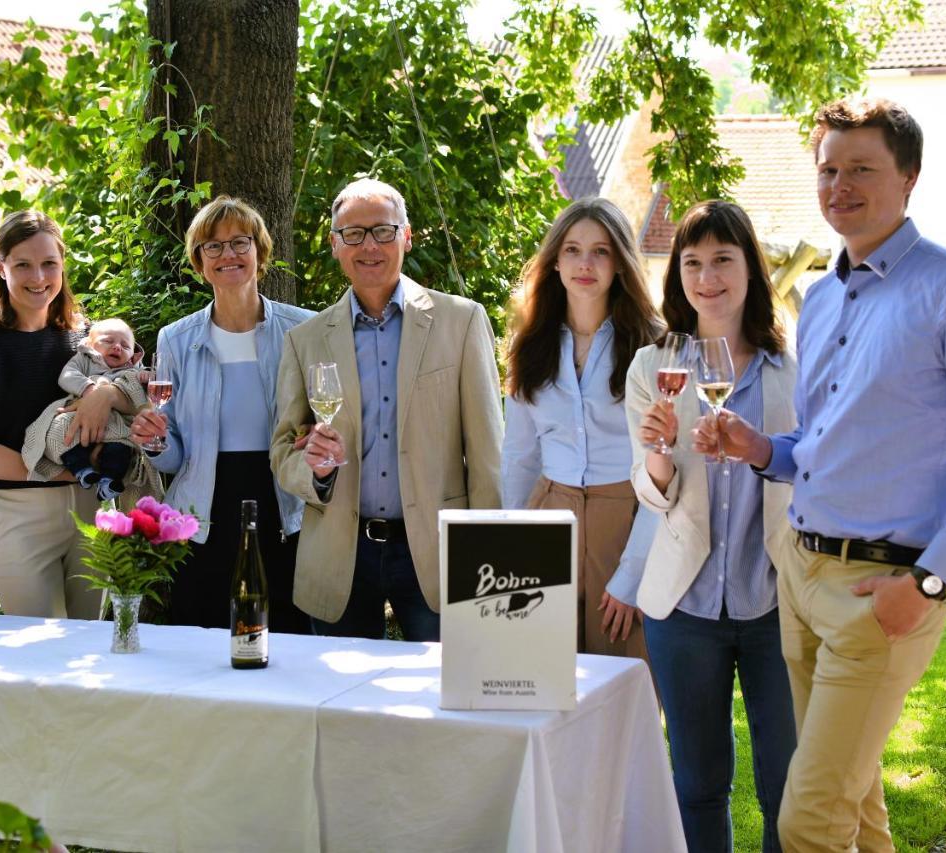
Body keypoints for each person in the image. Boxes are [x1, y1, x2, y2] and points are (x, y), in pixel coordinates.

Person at [697, 98, 946, 851]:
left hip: (884, 591)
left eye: (862, 168)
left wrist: (927, 581)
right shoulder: (820, 298)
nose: (839, 185)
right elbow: (817, 445)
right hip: (800, 575)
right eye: (828, 169)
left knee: (807, 822)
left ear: (910, 176)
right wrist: (757, 447)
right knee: (855, 810)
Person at [627, 200, 798, 852]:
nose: (707, 277)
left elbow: (810, 474)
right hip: (683, 609)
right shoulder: (654, 369)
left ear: (750, 269)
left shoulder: (790, 370)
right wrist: (659, 453)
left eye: (723, 259)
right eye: (692, 262)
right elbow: (650, 494)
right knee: (697, 783)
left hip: (776, 603)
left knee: (787, 782)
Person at [270, 178, 503, 641]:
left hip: (436, 553)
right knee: (341, 706)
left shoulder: (461, 321)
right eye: (352, 234)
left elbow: (488, 454)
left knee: (440, 701)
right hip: (340, 554)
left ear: (406, 236)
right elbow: (283, 451)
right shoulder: (306, 339)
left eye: (382, 230)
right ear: (336, 246)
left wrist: (487, 552)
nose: (368, 246)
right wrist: (313, 469)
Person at [130, 196, 315, 633]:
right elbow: (175, 456)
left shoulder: (302, 329)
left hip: (282, 501)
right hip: (205, 509)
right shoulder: (175, 339)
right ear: (199, 261)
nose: (227, 254)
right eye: (212, 246)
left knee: (287, 633)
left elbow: (322, 419)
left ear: (260, 251)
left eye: (239, 242)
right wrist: (155, 441)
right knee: (206, 634)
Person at [0, 210, 136, 619]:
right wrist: (67, 472)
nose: (39, 276)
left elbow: (134, 398)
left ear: (63, 265)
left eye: (49, 263)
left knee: (90, 645)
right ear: (1, 267)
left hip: (91, 507)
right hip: (19, 512)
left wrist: (104, 391)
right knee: (36, 649)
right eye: (23, 265)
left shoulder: (85, 339)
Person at [501, 197, 661, 662]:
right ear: (554, 262)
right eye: (572, 250)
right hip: (548, 516)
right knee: (546, 676)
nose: (584, 264)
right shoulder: (530, 343)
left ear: (620, 263)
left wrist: (631, 577)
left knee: (625, 676)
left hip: (627, 517)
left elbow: (663, 472)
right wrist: (511, 548)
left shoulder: (652, 342)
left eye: (600, 251)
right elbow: (519, 456)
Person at [21, 318, 160, 503]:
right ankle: (82, 470)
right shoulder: (86, 358)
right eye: (108, 341)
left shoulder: (133, 368)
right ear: (89, 344)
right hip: (81, 415)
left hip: (117, 424)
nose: (117, 347)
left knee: (121, 448)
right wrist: (90, 390)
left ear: (133, 355)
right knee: (59, 431)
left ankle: (110, 481)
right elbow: (67, 376)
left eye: (125, 346)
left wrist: (147, 377)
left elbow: (146, 394)